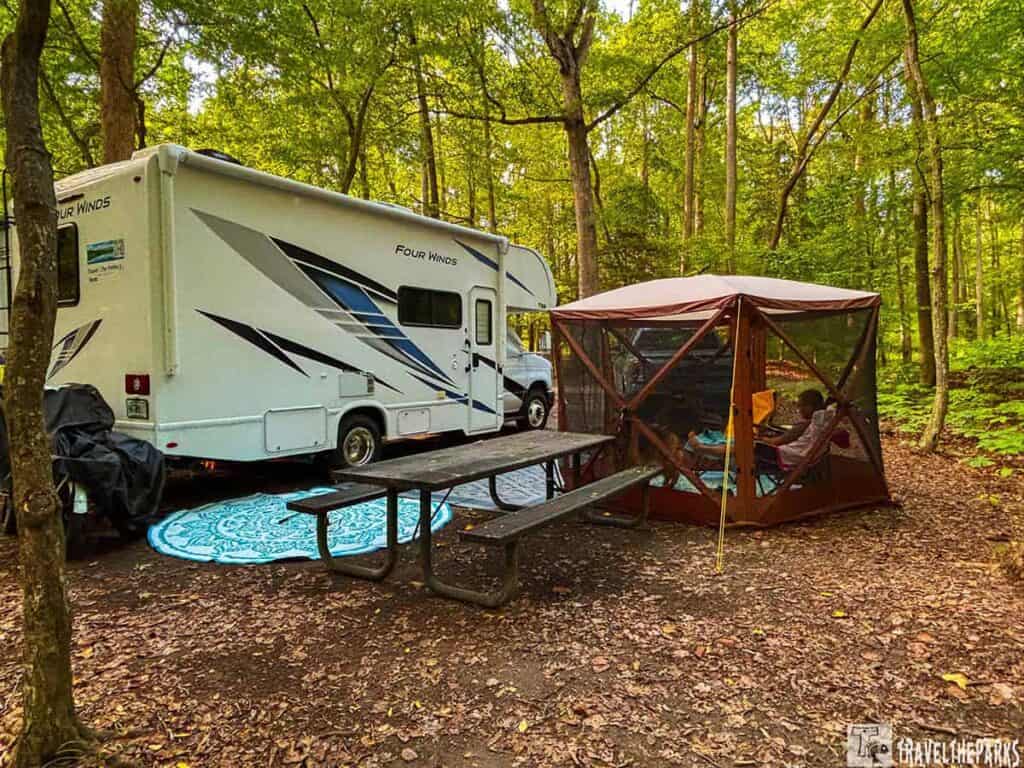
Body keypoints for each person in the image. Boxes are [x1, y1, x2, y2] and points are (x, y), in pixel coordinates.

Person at [687, 388, 829, 471]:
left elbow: (777, 442)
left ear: (811, 407)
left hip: (782, 455)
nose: (799, 409)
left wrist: (762, 438)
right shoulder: (814, 423)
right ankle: (706, 451)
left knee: (743, 445)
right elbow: (787, 437)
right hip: (787, 451)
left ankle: (702, 449)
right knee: (740, 444)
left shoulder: (804, 425)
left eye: (801, 406)